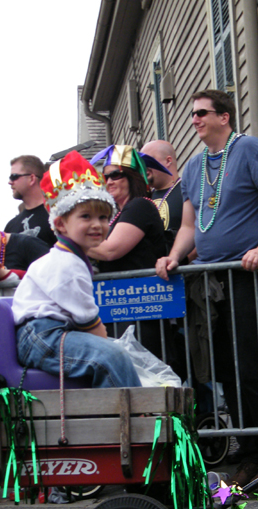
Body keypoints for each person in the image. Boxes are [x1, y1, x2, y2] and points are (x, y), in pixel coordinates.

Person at [156, 89, 258, 487]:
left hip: (249, 277)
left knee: (255, 366)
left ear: (224, 117)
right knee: (229, 369)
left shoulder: (249, 149)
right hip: (211, 280)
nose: (195, 119)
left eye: (202, 113)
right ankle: (250, 450)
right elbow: (188, 226)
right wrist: (174, 256)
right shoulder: (196, 165)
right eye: (193, 114)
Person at [13, 151, 141, 389]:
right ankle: (134, 416)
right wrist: (110, 348)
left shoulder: (70, 258)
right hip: (43, 337)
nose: (97, 224)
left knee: (115, 354)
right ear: (61, 223)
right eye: (85, 216)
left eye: (104, 217)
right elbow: (89, 323)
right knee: (112, 357)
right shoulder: (67, 264)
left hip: (47, 334)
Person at [87, 144, 171, 362]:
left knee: (146, 377)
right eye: (106, 177)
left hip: (142, 308)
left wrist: (71, 239)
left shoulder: (140, 206)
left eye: (116, 175)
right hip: (120, 308)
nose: (109, 182)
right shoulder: (117, 213)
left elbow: (110, 250)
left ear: (132, 177)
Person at [5, 155, 57, 247]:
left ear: (32, 179)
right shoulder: (11, 226)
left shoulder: (57, 217)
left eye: (14, 177)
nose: (10, 182)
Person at [141, 140, 183, 235]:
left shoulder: (188, 191)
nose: (143, 167)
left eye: (148, 161)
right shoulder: (144, 199)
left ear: (168, 161)